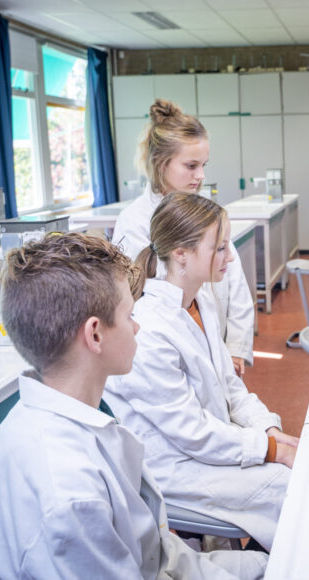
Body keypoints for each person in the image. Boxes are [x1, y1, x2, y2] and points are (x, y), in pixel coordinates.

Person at [0, 233, 266, 579]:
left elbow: (154, 554)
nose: (137, 327)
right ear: (95, 335)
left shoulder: (79, 411)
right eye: (129, 314)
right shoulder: (68, 493)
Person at [105, 193, 297, 553]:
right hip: (173, 465)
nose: (231, 256)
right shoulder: (150, 328)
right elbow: (191, 433)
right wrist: (270, 450)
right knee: (284, 487)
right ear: (181, 254)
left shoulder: (201, 302)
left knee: (288, 461)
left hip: (205, 443)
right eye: (220, 248)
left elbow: (231, 388)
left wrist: (270, 432)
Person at [113, 99, 255, 377]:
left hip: (216, 345)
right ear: (160, 163)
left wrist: (236, 345)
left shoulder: (203, 212)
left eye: (203, 165)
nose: (200, 176)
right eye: (191, 166)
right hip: (168, 354)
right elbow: (143, 300)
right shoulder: (135, 222)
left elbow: (234, 279)